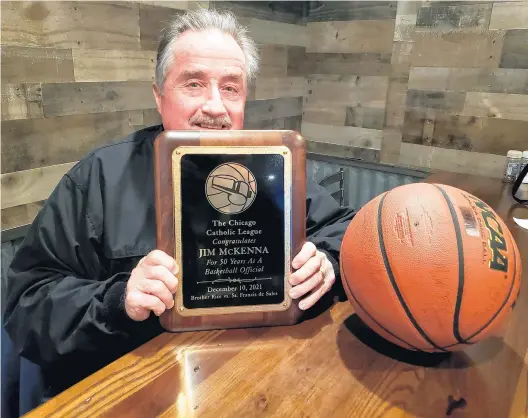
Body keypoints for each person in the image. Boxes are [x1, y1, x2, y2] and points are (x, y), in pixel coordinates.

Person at [3, 8, 355, 400]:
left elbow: (347, 232)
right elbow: (27, 305)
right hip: (137, 389)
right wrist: (117, 301)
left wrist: (327, 261)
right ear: (158, 95)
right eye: (193, 83)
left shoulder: (273, 166)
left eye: (231, 88)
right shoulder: (100, 178)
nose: (215, 107)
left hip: (256, 376)